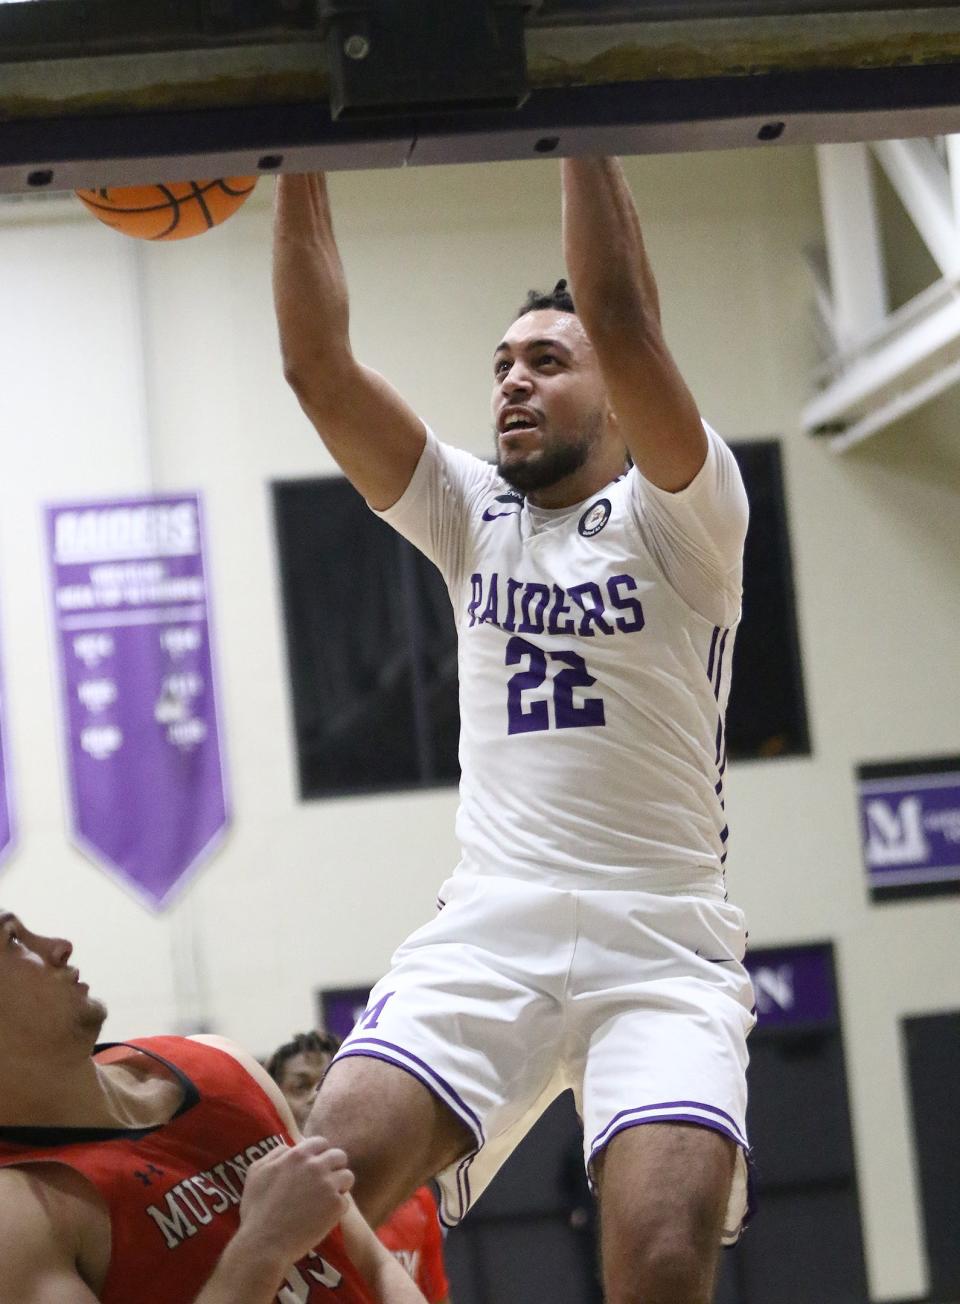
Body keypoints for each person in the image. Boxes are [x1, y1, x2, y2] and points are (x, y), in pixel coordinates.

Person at [273, 157, 755, 1304]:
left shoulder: (686, 516)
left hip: (665, 942)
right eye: (499, 365)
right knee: (309, 1188)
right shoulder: (470, 512)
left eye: (547, 359)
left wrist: (574, 113)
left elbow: (628, 318)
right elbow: (318, 366)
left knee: (666, 1254)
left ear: (617, 397)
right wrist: (294, 150)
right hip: (492, 927)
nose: (512, 383)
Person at [0, 909, 425, 1304]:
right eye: (14, 941)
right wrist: (263, 1246)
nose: (59, 944)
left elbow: (375, 1263)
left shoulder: (217, 1060)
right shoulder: (19, 1217)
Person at [267, 1032, 451, 1304]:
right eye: (301, 1086)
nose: (316, 1095)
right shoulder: (268, 1200)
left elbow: (436, 1296)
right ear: (273, 1100)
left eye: (328, 1082)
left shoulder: (413, 1197)